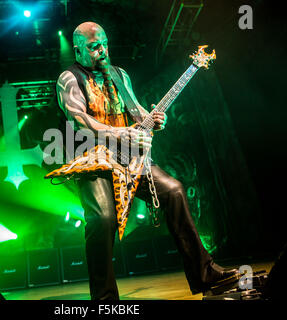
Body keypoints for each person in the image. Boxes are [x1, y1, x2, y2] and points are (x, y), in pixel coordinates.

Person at [54, 21, 237, 300]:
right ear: (78, 50)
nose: (101, 50)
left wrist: (152, 119)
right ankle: (104, 299)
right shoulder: (69, 78)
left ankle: (205, 273)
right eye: (93, 47)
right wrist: (122, 133)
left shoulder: (119, 74)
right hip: (94, 161)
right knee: (102, 219)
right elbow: (79, 122)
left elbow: (136, 111)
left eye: (104, 43)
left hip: (130, 158)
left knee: (174, 190)